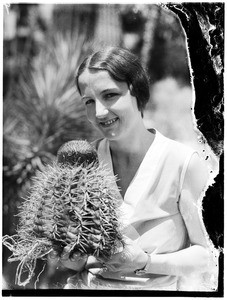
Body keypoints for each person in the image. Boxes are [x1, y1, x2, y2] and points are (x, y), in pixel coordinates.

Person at [49, 47, 218, 290]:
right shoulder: (83, 161)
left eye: (109, 95)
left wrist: (146, 262)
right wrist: (72, 259)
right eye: (89, 101)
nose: (99, 112)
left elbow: (209, 254)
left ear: (137, 91)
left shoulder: (182, 163)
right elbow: (79, 257)